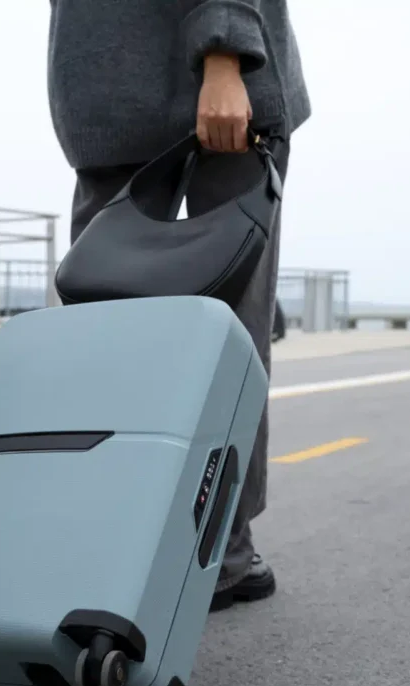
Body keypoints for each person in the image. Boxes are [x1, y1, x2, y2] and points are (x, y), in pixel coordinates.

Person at [47, 0, 311, 611]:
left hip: (124, 79)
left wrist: (223, 50)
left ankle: (168, 548)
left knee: (120, 339)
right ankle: (210, 552)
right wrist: (225, 54)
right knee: (216, 339)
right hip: (173, 84)